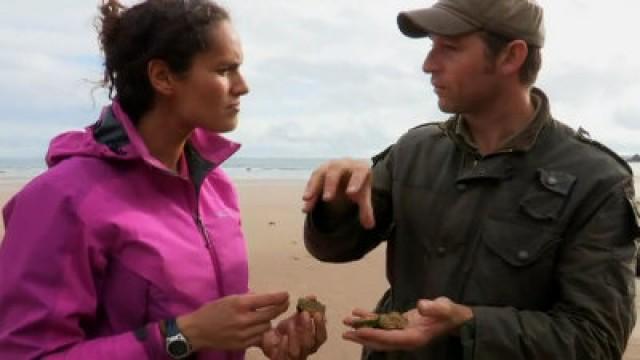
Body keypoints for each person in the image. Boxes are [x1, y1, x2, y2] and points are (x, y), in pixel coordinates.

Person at [302, 0, 640, 359]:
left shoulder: (597, 181)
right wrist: (335, 203)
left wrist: (468, 325)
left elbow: (596, 340)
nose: (428, 64)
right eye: (431, 45)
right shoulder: (414, 151)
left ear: (511, 57)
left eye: (449, 48)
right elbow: (334, 249)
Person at [0, 0, 326, 359]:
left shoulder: (216, 188)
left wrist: (259, 336)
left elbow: (206, 312)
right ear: (163, 77)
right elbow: (26, 353)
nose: (242, 86)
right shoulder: (62, 198)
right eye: (225, 69)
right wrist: (180, 335)